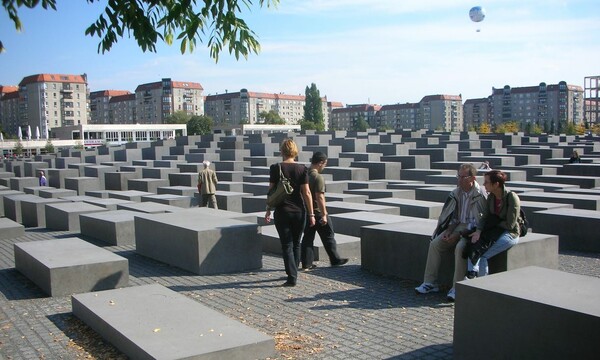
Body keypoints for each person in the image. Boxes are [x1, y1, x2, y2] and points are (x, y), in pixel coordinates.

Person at [415, 163, 487, 302]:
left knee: (460, 248)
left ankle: (456, 287)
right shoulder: (456, 193)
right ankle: (430, 282)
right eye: (458, 176)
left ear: (472, 178)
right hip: (458, 226)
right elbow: (454, 217)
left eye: (462, 177)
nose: (459, 179)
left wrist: (459, 235)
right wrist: (449, 231)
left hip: (473, 230)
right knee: (435, 244)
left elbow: (482, 222)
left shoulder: (480, 194)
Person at [265, 139, 316, 287]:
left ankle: (292, 276)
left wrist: (268, 209)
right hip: (299, 211)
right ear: (295, 151)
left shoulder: (275, 168)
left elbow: (271, 192)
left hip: (282, 212)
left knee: (286, 245)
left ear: (282, 151)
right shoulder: (302, 169)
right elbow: (306, 193)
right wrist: (312, 214)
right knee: (296, 244)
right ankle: (293, 272)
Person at [466, 170, 521, 277]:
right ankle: (471, 274)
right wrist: (478, 231)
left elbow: (510, 225)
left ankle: (482, 285)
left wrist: (494, 222)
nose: (483, 184)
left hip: (510, 233)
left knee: (483, 256)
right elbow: (485, 216)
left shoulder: (511, 197)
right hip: (494, 230)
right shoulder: (491, 196)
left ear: (496, 184)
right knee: (473, 242)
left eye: (486, 182)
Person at [300, 152, 349, 270]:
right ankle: (335, 259)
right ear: (320, 163)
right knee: (329, 236)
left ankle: (306, 263)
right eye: (325, 164)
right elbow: (320, 197)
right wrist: (324, 214)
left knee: (307, 238)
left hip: (306, 212)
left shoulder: (304, 174)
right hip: (317, 212)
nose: (324, 167)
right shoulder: (318, 177)